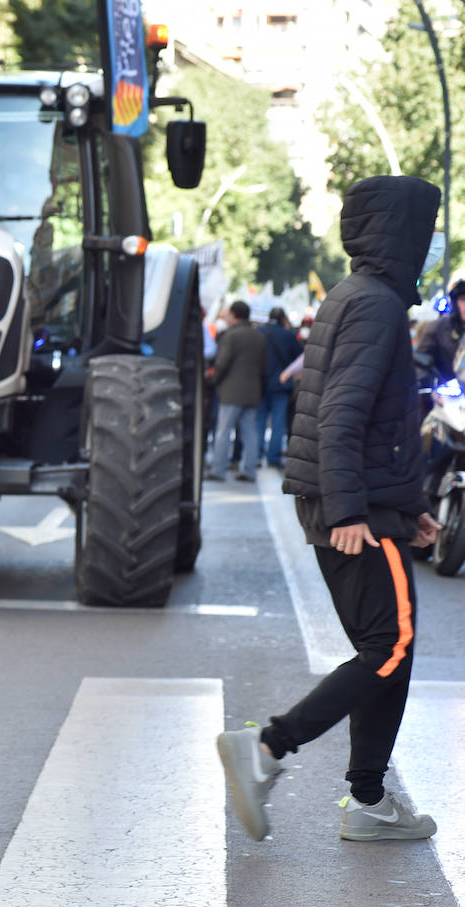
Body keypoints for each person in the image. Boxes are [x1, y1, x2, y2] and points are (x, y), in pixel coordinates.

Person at [216, 175, 444, 843]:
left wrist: (408, 510)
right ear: (401, 236)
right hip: (353, 509)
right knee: (390, 645)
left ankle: (369, 802)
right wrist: (352, 512)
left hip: (364, 504)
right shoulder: (374, 305)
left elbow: (367, 422)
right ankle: (268, 749)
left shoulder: (356, 296)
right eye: (424, 235)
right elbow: (341, 417)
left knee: (385, 650)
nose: (429, 249)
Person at [206, 300, 267, 482]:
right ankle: (250, 471)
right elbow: (264, 367)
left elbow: (222, 363)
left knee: (223, 432)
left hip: (231, 392)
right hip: (252, 392)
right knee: (250, 433)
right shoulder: (258, 336)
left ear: (234, 315)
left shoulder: (231, 336)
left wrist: (214, 380)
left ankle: (218, 470)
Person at [255, 307, 303, 469]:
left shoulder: (260, 332)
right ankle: (273, 458)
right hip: (281, 384)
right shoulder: (288, 335)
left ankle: (256, 454)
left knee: (259, 420)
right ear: (284, 319)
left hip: (261, 383)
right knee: (278, 422)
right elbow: (300, 356)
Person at [416, 277, 465, 386]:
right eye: (463, 299)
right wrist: (430, 387)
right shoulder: (437, 327)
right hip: (447, 393)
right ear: (455, 301)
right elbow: (420, 363)